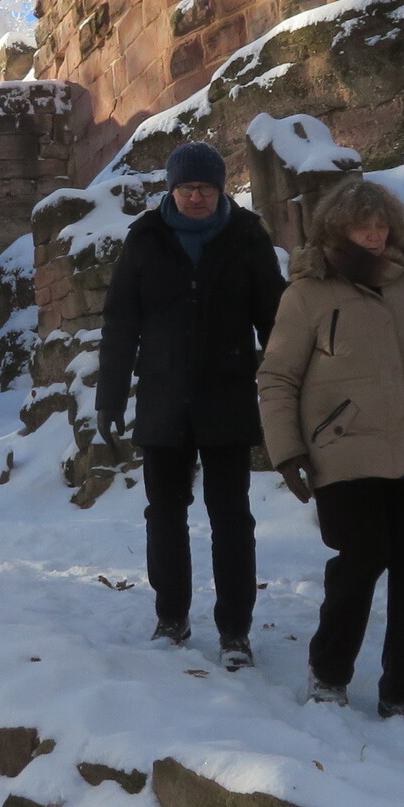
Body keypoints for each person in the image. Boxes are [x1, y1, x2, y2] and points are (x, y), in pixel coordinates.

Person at [257, 176, 404, 732]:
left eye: (382, 225)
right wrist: (287, 451)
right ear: (336, 230)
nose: (375, 236)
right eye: (363, 227)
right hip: (344, 451)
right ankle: (329, 674)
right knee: (360, 561)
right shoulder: (307, 294)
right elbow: (278, 377)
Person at [96, 141, 287, 668]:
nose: (195, 197)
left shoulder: (246, 235)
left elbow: (277, 321)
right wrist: (110, 397)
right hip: (163, 397)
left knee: (232, 519)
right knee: (164, 514)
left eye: (204, 188)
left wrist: (289, 389)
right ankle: (171, 616)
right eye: (185, 188)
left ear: (220, 189)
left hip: (227, 395)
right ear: (171, 189)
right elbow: (120, 322)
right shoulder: (145, 237)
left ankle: (235, 631)